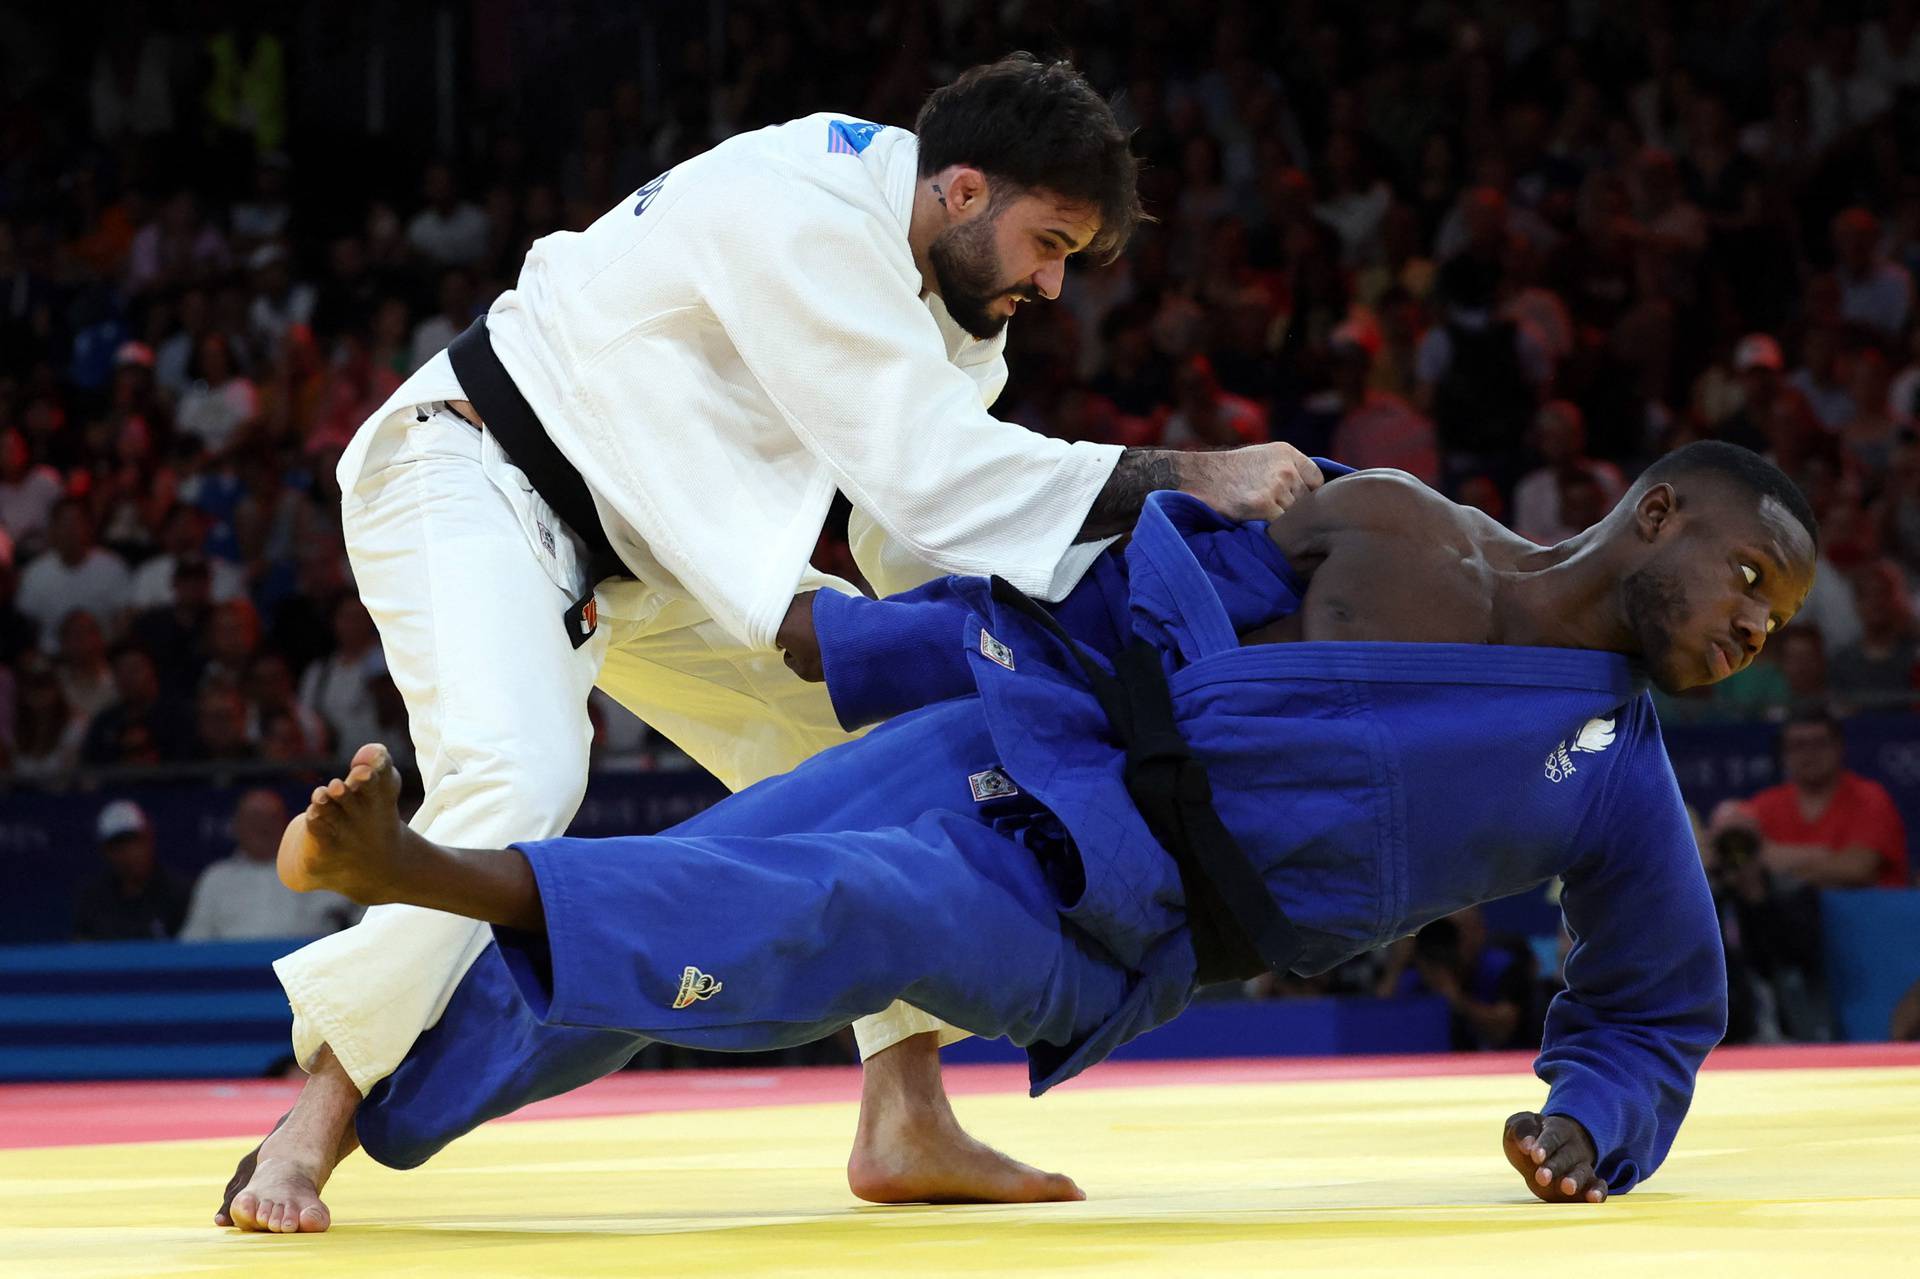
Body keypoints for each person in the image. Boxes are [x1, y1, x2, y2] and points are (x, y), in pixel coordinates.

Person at [225, 54, 1321, 1233]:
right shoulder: (810, 213)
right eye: (1049, 242)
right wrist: (1195, 476)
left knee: (898, 750)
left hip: (643, 548)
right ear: (961, 190)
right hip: (478, 471)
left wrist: (1009, 639)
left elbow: (916, 531)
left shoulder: (950, 308)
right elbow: (939, 477)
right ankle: (305, 1129)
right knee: (523, 769)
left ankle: (905, 1112)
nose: (1052, 285)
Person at [227, 441, 1817, 1233]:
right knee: (728, 882)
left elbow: (1655, 1002)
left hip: (1112, 912)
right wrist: (871, 648)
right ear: (1662, 512)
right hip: (1018, 739)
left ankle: (432, 869)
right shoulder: (1392, 522)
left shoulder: (1613, 773)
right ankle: (365, 1116)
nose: (1759, 627)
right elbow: (1101, 606)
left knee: (847, 903)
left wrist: (1592, 1126)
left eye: (1783, 616)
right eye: (1754, 578)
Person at [1723, 712, 1911, 889]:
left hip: (1870, 917)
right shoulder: (1765, 803)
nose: (1809, 753)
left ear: (1839, 747)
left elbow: (1857, 869)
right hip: (1790, 918)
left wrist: (1773, 865)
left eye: (1819, 743)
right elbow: (1735, 863)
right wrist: (1822, 855)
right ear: (1784, 753)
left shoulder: (1870, 797)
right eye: (1798, 745)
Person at [181, 790, 358, 941]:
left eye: (271, 818)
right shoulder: (216, 878)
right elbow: (194, 941)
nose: (262, 826)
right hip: (237, 975)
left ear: (286, 823)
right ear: (236, 826)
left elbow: (364, 914)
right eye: (254, 817)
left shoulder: (318, 868)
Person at [73, 800, 189, 941]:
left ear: (149, 839)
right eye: (117, 846)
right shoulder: (93, 899)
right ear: (105, 852)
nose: (128, 853)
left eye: (134, 842)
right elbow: (81, 950)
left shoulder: (179, 893)